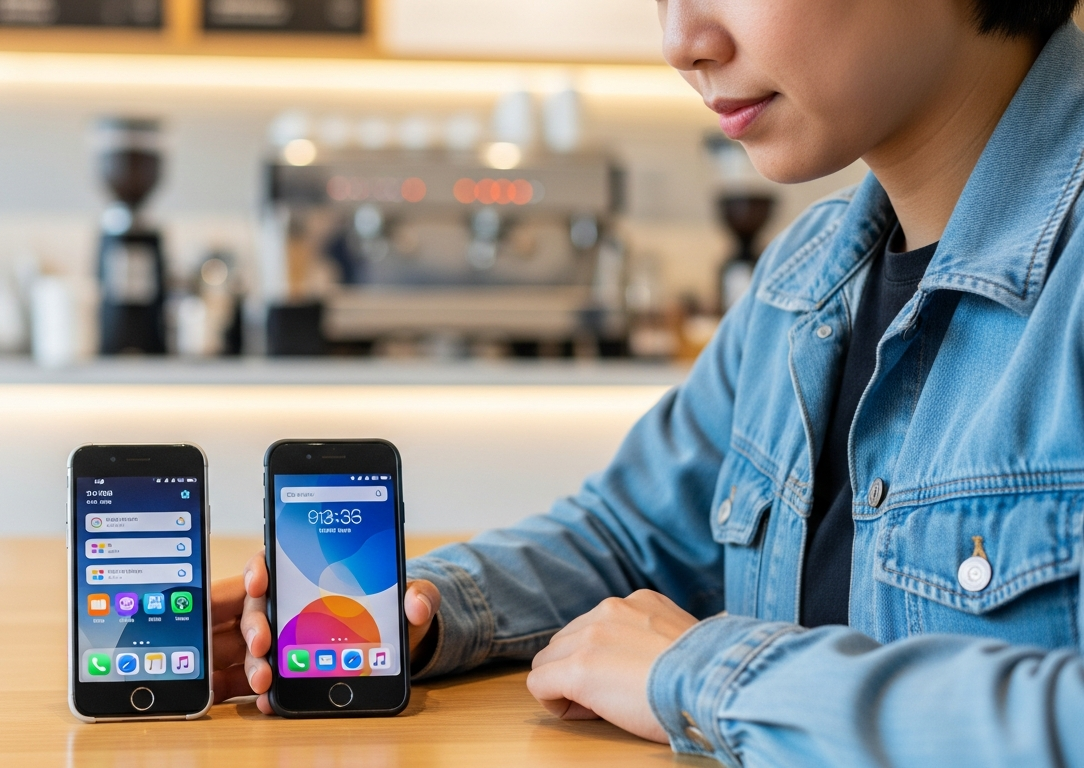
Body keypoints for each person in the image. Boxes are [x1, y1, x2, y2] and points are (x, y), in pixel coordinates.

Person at [213, 0, 1084, 763]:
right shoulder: (805, 278)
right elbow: (631, 536)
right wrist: (413, 611)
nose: (681, 42)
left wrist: (702, 674)